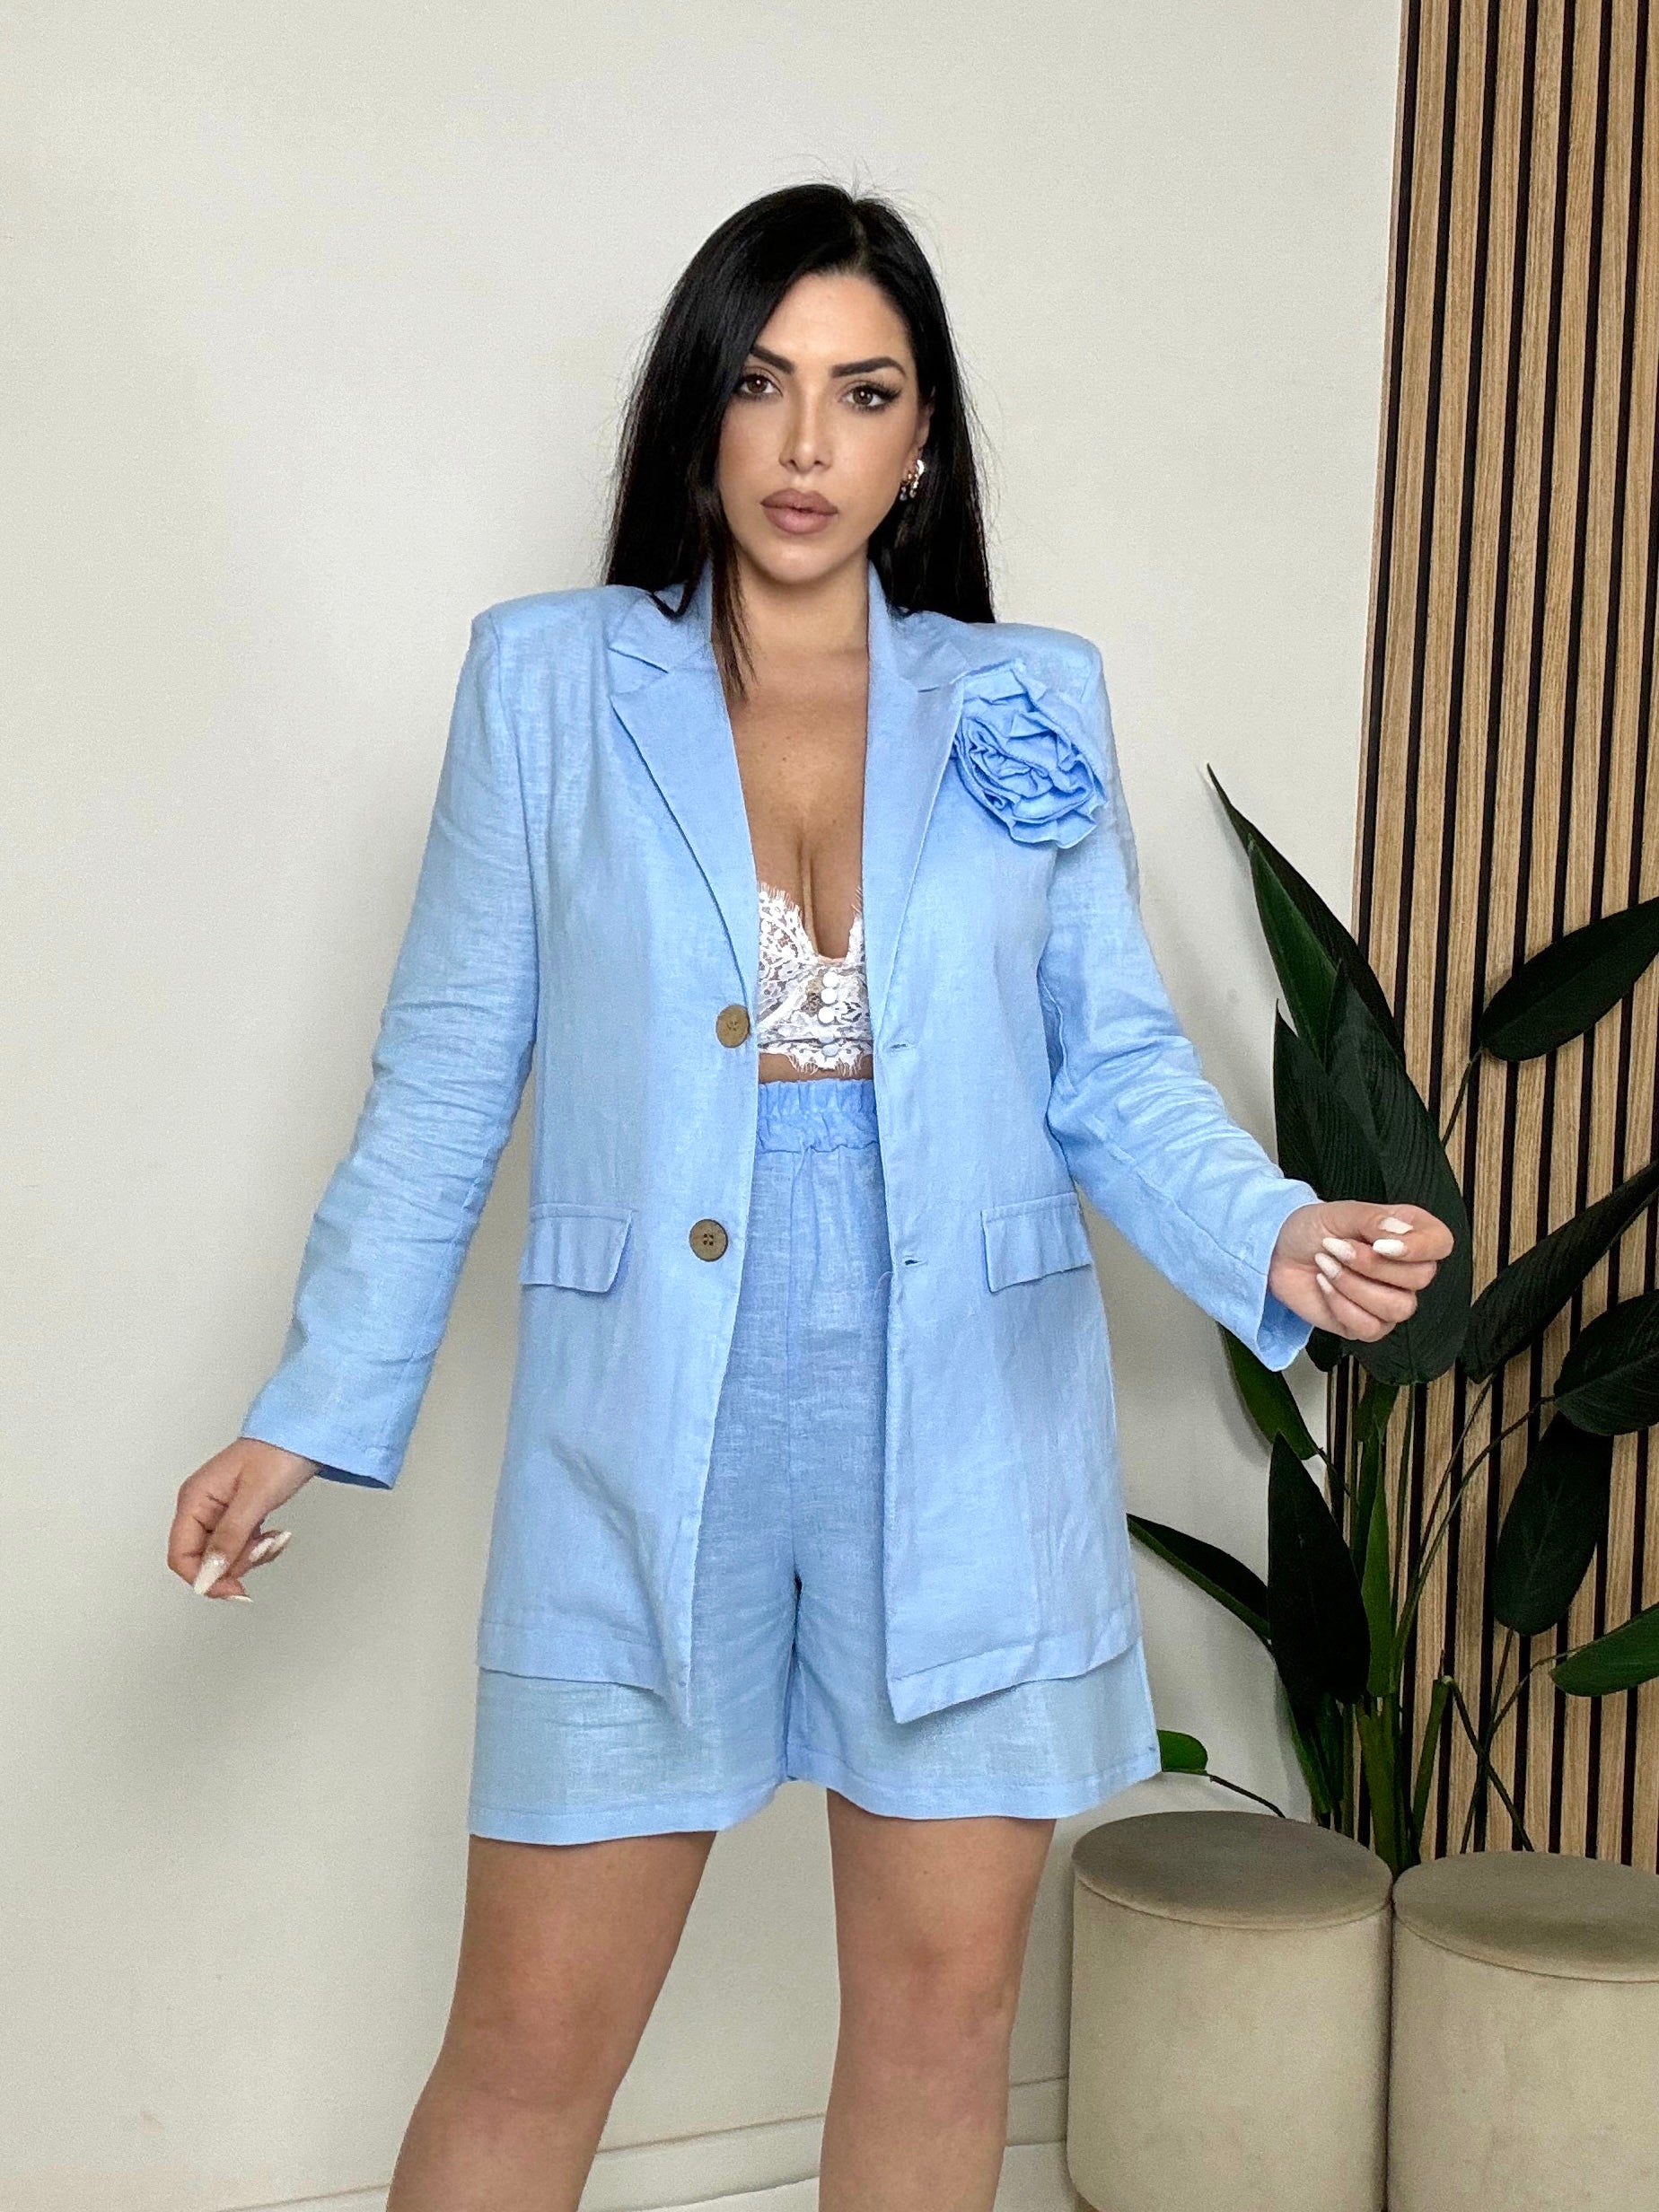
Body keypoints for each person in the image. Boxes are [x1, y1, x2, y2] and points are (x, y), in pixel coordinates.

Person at [166, 182, 1451, 2212]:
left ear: (922, 439)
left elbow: (1110, 1067)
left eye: (864, 393)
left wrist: (1276, 1232)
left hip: (972, 1411)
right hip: (642, 1418)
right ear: (697, 408)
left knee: (938, 2031)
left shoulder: (1027, 696)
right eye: (762, 384)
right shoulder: (549, 682)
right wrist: (311, 1405)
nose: (804, 443)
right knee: (527, 2045)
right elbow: (446, 1073)